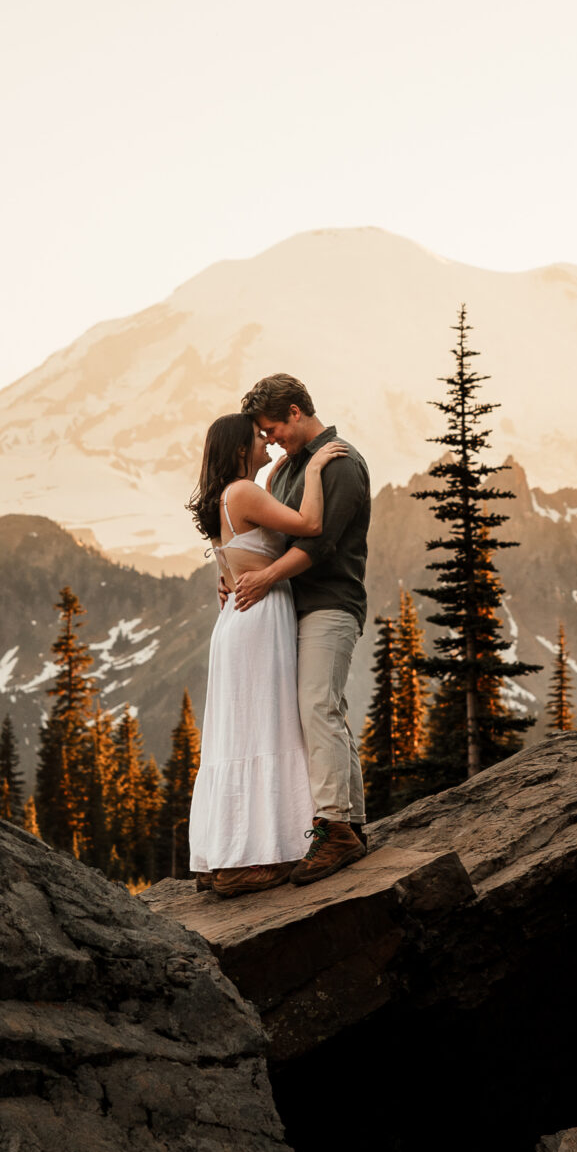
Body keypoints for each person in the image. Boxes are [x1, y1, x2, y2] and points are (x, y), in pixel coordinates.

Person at [184, 412, 347, 896]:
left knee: (238, 734)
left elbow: (234, 565)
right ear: (239, 449)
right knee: (266, 726)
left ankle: (224, 854)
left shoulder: (228, 497)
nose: (267, 442)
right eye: (258, 438)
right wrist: (316, 470)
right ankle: (247, 864)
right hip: (260, 617)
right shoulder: (243, 493)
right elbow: (311, 524)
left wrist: (279, 472)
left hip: (238, 617)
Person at [228, 372, 371, 885]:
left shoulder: (341, 463)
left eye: (272, 429)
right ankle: (350, 822)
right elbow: (270, 540)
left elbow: (320, 544)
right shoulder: (287, 471)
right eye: (262, 435)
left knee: (317, 704)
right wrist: (239, 577)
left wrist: (265, 578)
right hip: (293, 608)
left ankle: (334, 828)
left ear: (294, 412)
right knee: (322, 707)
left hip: (330, 603)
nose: (268, 441)